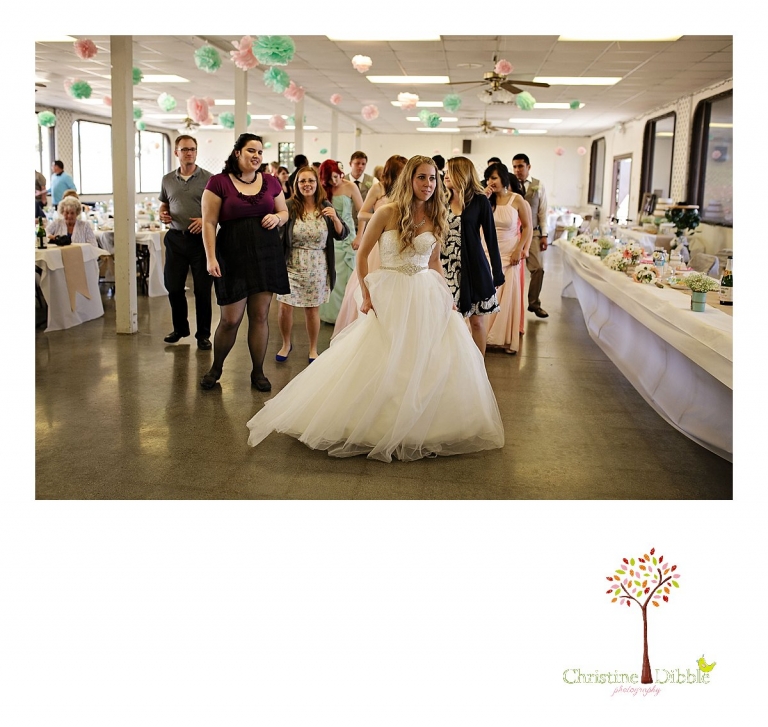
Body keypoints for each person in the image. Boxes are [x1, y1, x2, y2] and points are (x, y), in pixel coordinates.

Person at [246, 155, 504, 462]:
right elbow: (363, 255)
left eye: (433, 178)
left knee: (425, 354)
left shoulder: (437, 215)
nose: (428, 184)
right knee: (382, 352)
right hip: (390, 290)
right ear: (409, 179)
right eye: (422, 177)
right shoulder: (386, 212)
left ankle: (422, 421)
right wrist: (367, 295)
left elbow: (434, 261)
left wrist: (446, 295)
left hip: (425, 291)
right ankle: (378, 419)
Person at [200, 133, 289, 392]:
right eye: (251, 150)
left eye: (260, 152)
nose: (256, 156)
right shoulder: (218, 182)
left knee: (260, 316)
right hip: (232, 254)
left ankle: (258, 372)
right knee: (230, 319)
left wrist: (278, 218)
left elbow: (284, 211)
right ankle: (216, 368)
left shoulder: (270, 181)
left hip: (265, 254)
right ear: (237, 152)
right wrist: (210, 257)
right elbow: (208, 222)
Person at [276, 166, 350, 363]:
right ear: (296, 184)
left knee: (312, 309)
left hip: (317, 265)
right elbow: (278, 233)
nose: (306, 184)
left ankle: (313, 348)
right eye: (302, 181)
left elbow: (342, 234)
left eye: (310, 181)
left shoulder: (325, 205)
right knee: (284, 307)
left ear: (317, 184)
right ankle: (285, 344)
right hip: (291, 263)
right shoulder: (289, 206)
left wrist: (335, 218)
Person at [332, 154, 407, 337]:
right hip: (378, 242)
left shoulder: (408, 189)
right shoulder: (378, 188)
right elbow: (362, 213)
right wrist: (381, 219)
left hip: (398, 244)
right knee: (370, 286)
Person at [441, 156, 505, 356]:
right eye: (445, 171)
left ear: (462, 173)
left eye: (450, 171)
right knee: (447, 321)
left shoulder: (479, 201)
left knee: (477, 322)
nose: (445, 175)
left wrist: (497, 273)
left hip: (474, 267)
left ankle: (478, 367)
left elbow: (491, 239)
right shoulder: (440, 201)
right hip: (446, 268)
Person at [158, 134, 214, 349]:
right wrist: (162, 213)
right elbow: (165, 204)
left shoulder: (209, 179)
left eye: (192, 149)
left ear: (196, 152)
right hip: (175, 239)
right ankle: (180, 328)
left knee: (202, 290)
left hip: (201, 241)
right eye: (184, 149)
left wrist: (204, 220)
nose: (189, 153)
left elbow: (219, 209)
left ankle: (203, 335)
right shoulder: (167, 180)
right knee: (173, 287)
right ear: (176, 152)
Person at [482, 162, 533, 355]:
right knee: (487, 293)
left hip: (510, 252)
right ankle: (484, 336)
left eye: (494, 177)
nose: (491, 181)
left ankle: (503, 339)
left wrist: (519, 250)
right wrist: (484, 199)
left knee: (507, 295)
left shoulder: (517, 199)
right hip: (487, 251)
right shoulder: (486, 199)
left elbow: (527, 227)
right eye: (488, 178)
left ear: (503, 178)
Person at [317, 159, 364, 324]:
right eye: (330, 179)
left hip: (348, 237)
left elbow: (362, 212)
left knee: (349, 278)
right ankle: (331, 315)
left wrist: (360, 236)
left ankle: (349, 315)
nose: (334, 181)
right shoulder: (322, 190)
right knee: (331, 277)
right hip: (328, 238)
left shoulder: (350, 186)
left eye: (336, 176)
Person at [512, 153, 549, 318]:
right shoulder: (509, 183)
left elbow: (542, 211)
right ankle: (510, 305)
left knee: (538, 268)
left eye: (520, 166)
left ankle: (534, 303)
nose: (517, 170)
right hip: (513, 233)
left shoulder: (538, 185)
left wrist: (544, 234)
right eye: (514, 166)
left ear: (528, 167)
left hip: (532, 232)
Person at [346, 150, 374, 229]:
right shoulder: (342, 181)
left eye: (363, 164)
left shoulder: (373, 181)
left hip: (367, 227)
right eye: (357, 163)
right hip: (347, 226)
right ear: (350, 164)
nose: (360, 166)